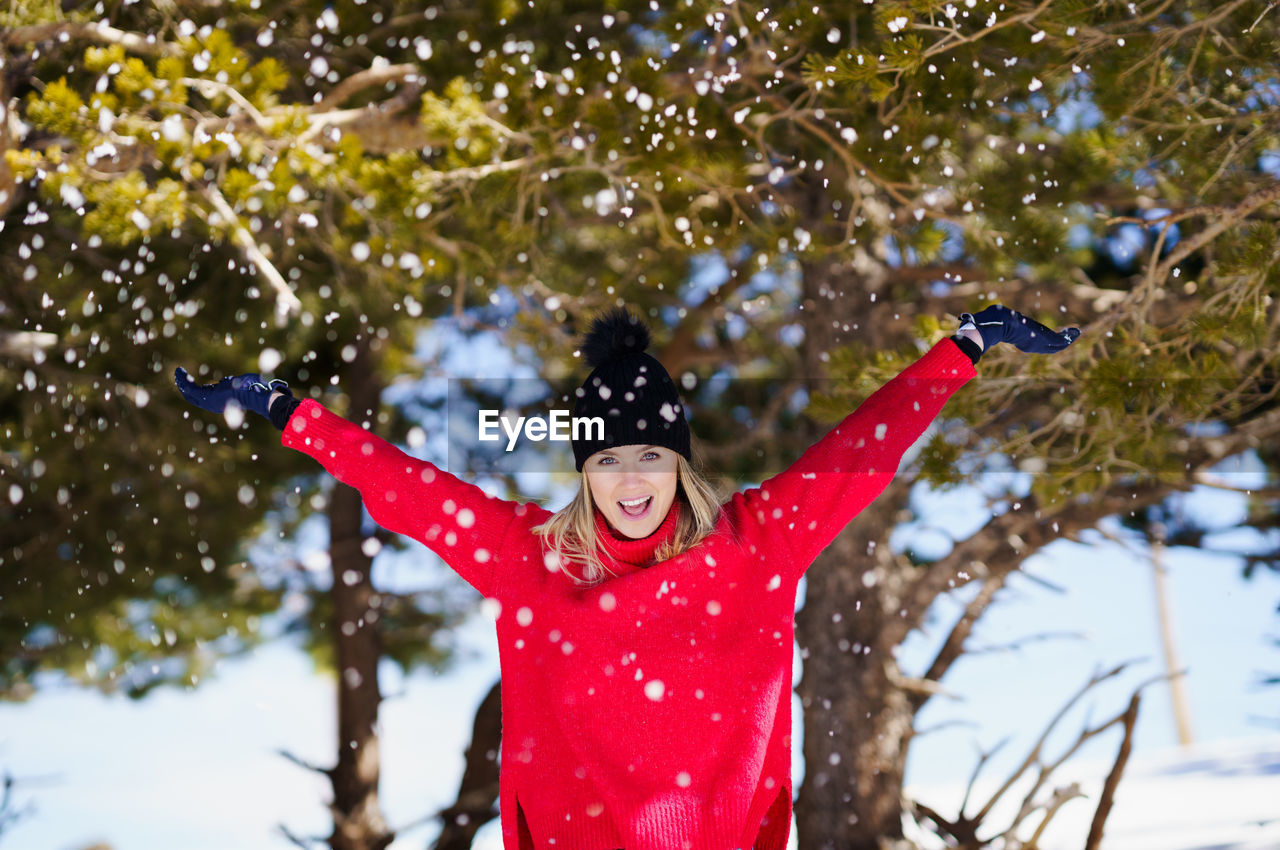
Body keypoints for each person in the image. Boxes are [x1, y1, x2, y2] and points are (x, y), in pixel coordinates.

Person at [175, 304, 1079, 850]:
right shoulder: (534, 558)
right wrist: (289, 413)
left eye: (652, 455)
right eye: (610, 462)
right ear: (584, 473)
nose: (633, 479)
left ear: (680, 464)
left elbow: (859, 454)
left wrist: (962, 350)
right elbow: (406, 490)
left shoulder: (752, 546)